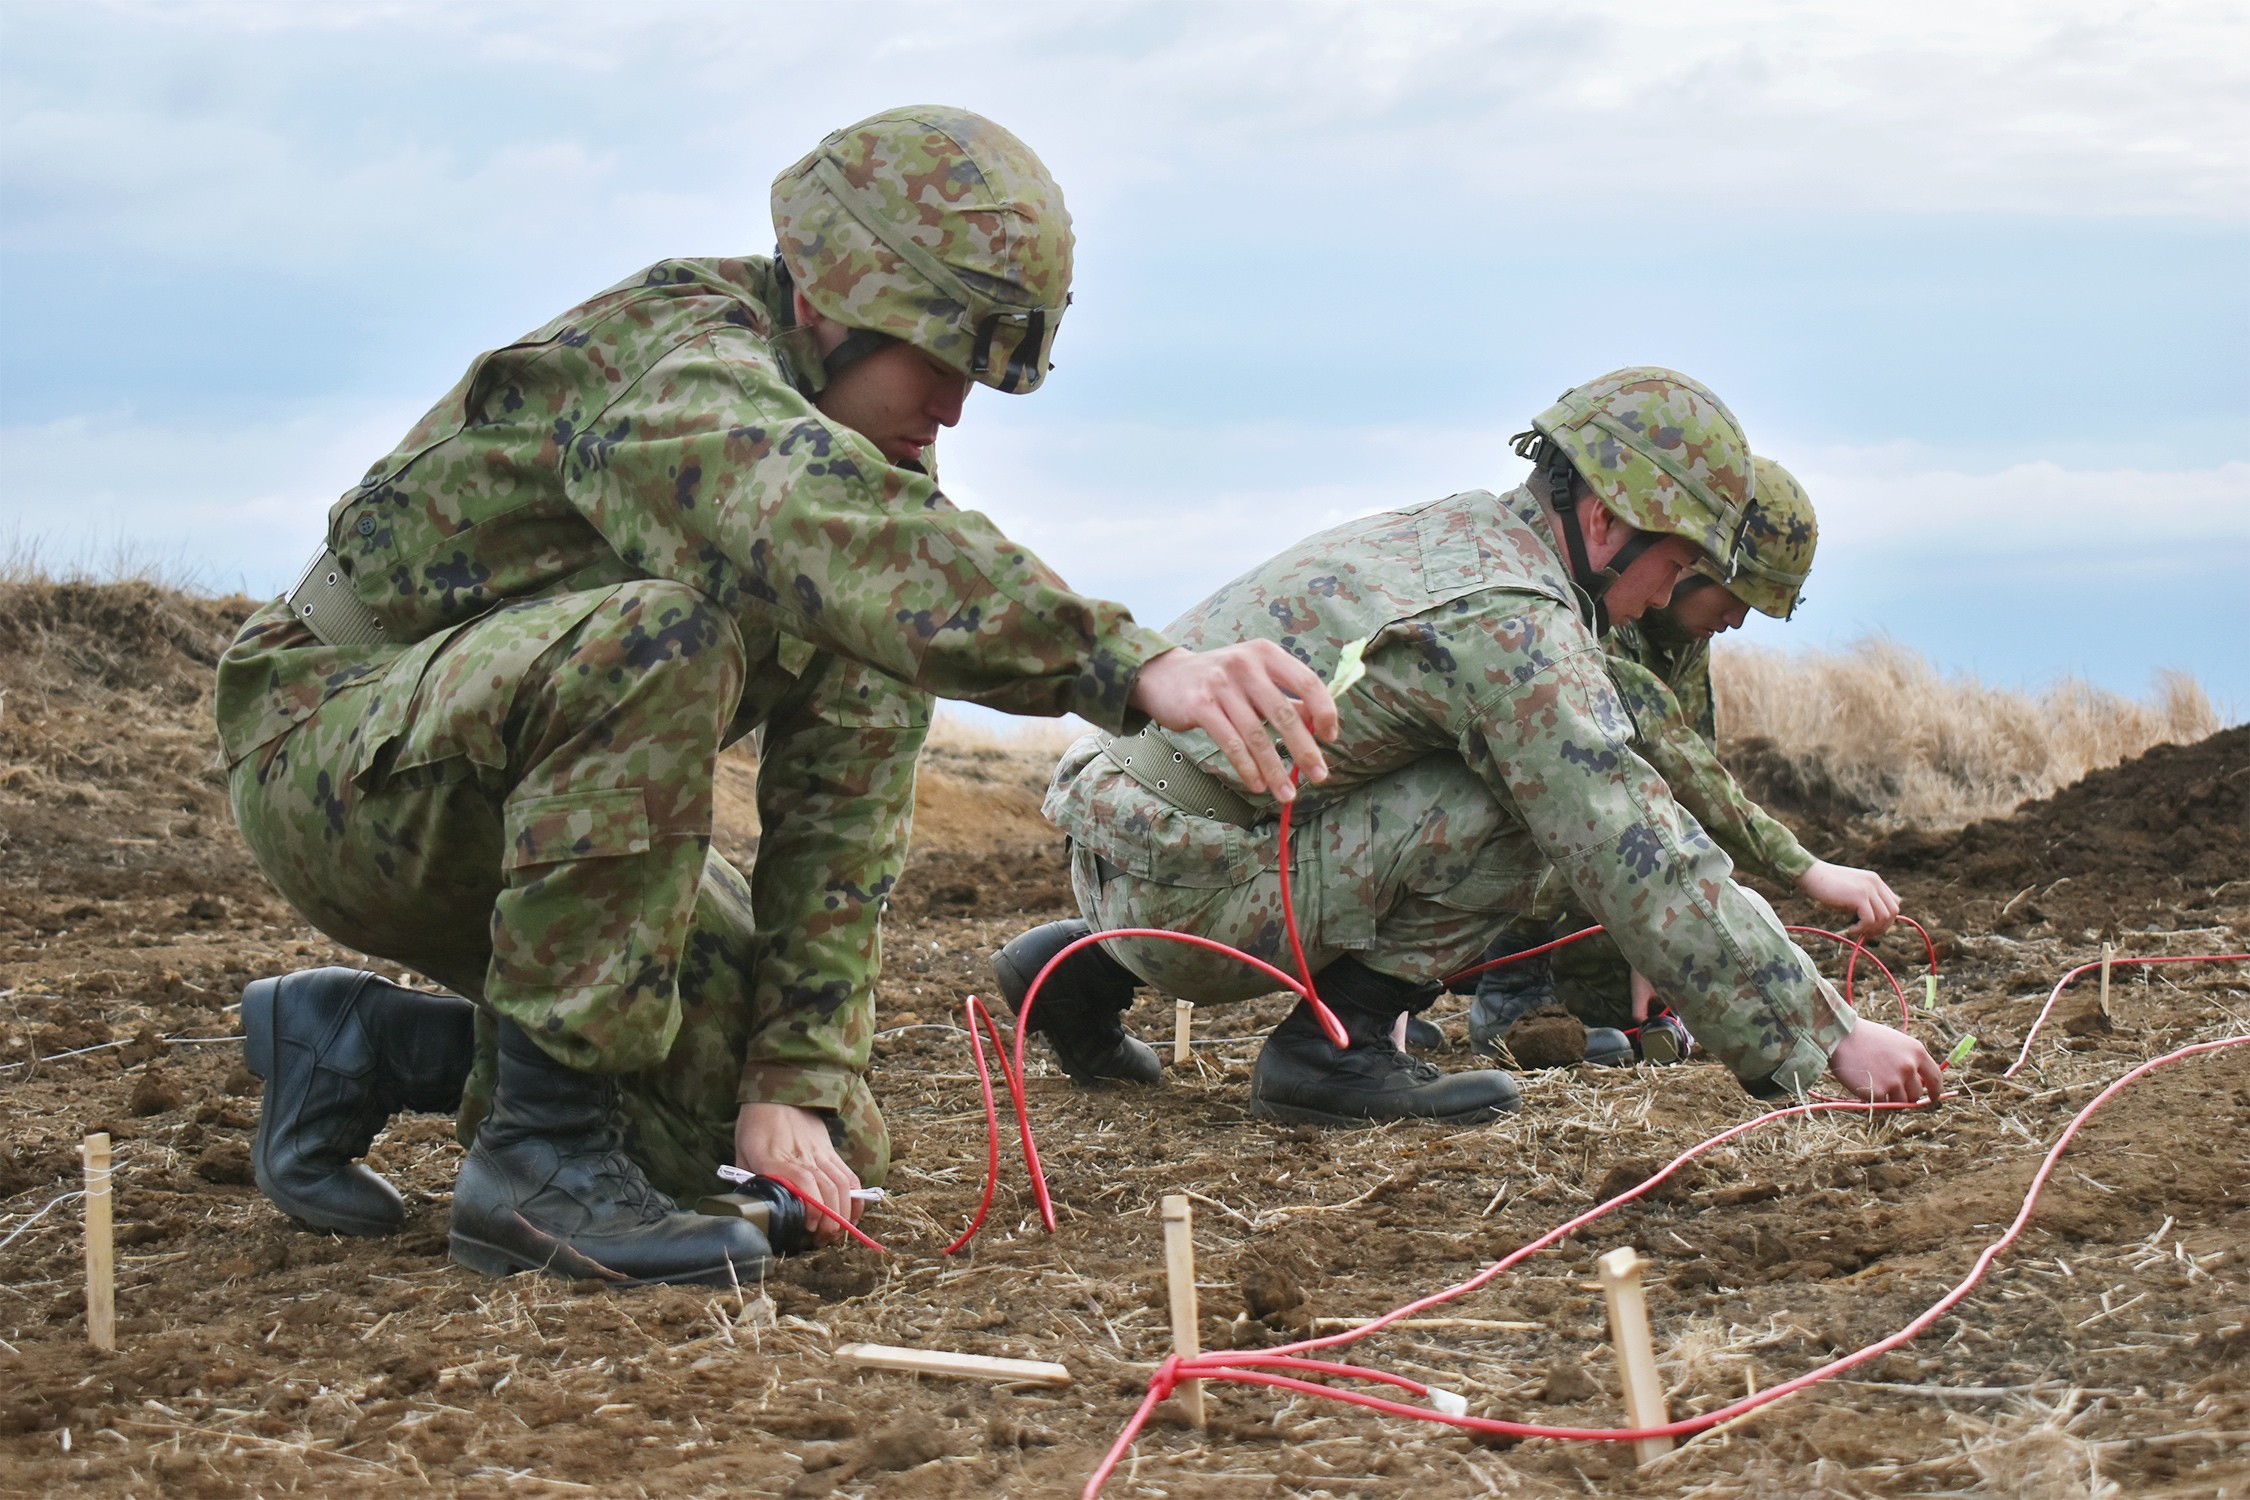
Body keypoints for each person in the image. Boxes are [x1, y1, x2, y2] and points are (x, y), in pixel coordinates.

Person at [219, 105, 1335, 1288]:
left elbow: (843, 806)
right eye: (941, 363)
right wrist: (1136, 664)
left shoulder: (870, 496)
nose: (955, 409)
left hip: (538, 824)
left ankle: (364, 1046)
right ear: (829, 303)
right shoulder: (682, 373)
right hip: (338, 756)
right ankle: (537, 1163)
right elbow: (823, 528)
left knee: (802, 1144)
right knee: (656, 636)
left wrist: (791, 1083)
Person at [993, 367, 1944, 1127]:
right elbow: (1635, 845)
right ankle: (1337, 1049)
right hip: (1191, 903)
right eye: (1677, 563)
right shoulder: (1516, 626)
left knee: (1438, 774)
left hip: (1115, 844)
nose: (1667, 596)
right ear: (1607, 520)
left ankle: (1076, 967)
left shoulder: (1454, 534)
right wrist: (1826, 1038)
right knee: (1532, 808)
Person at [1456, 457, 1903, 1065]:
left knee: (1623, 1007)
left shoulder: (1683, 641)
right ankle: (1505, 984)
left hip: (1582, 877)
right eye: (1737, 595)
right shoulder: (1581, 607)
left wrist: (1663, 939)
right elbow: (1648, 756)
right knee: (1574, 803)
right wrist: (1802, 868)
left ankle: (1494, 980)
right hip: (1490, 848)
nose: (1738, 620)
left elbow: (1689, 783)